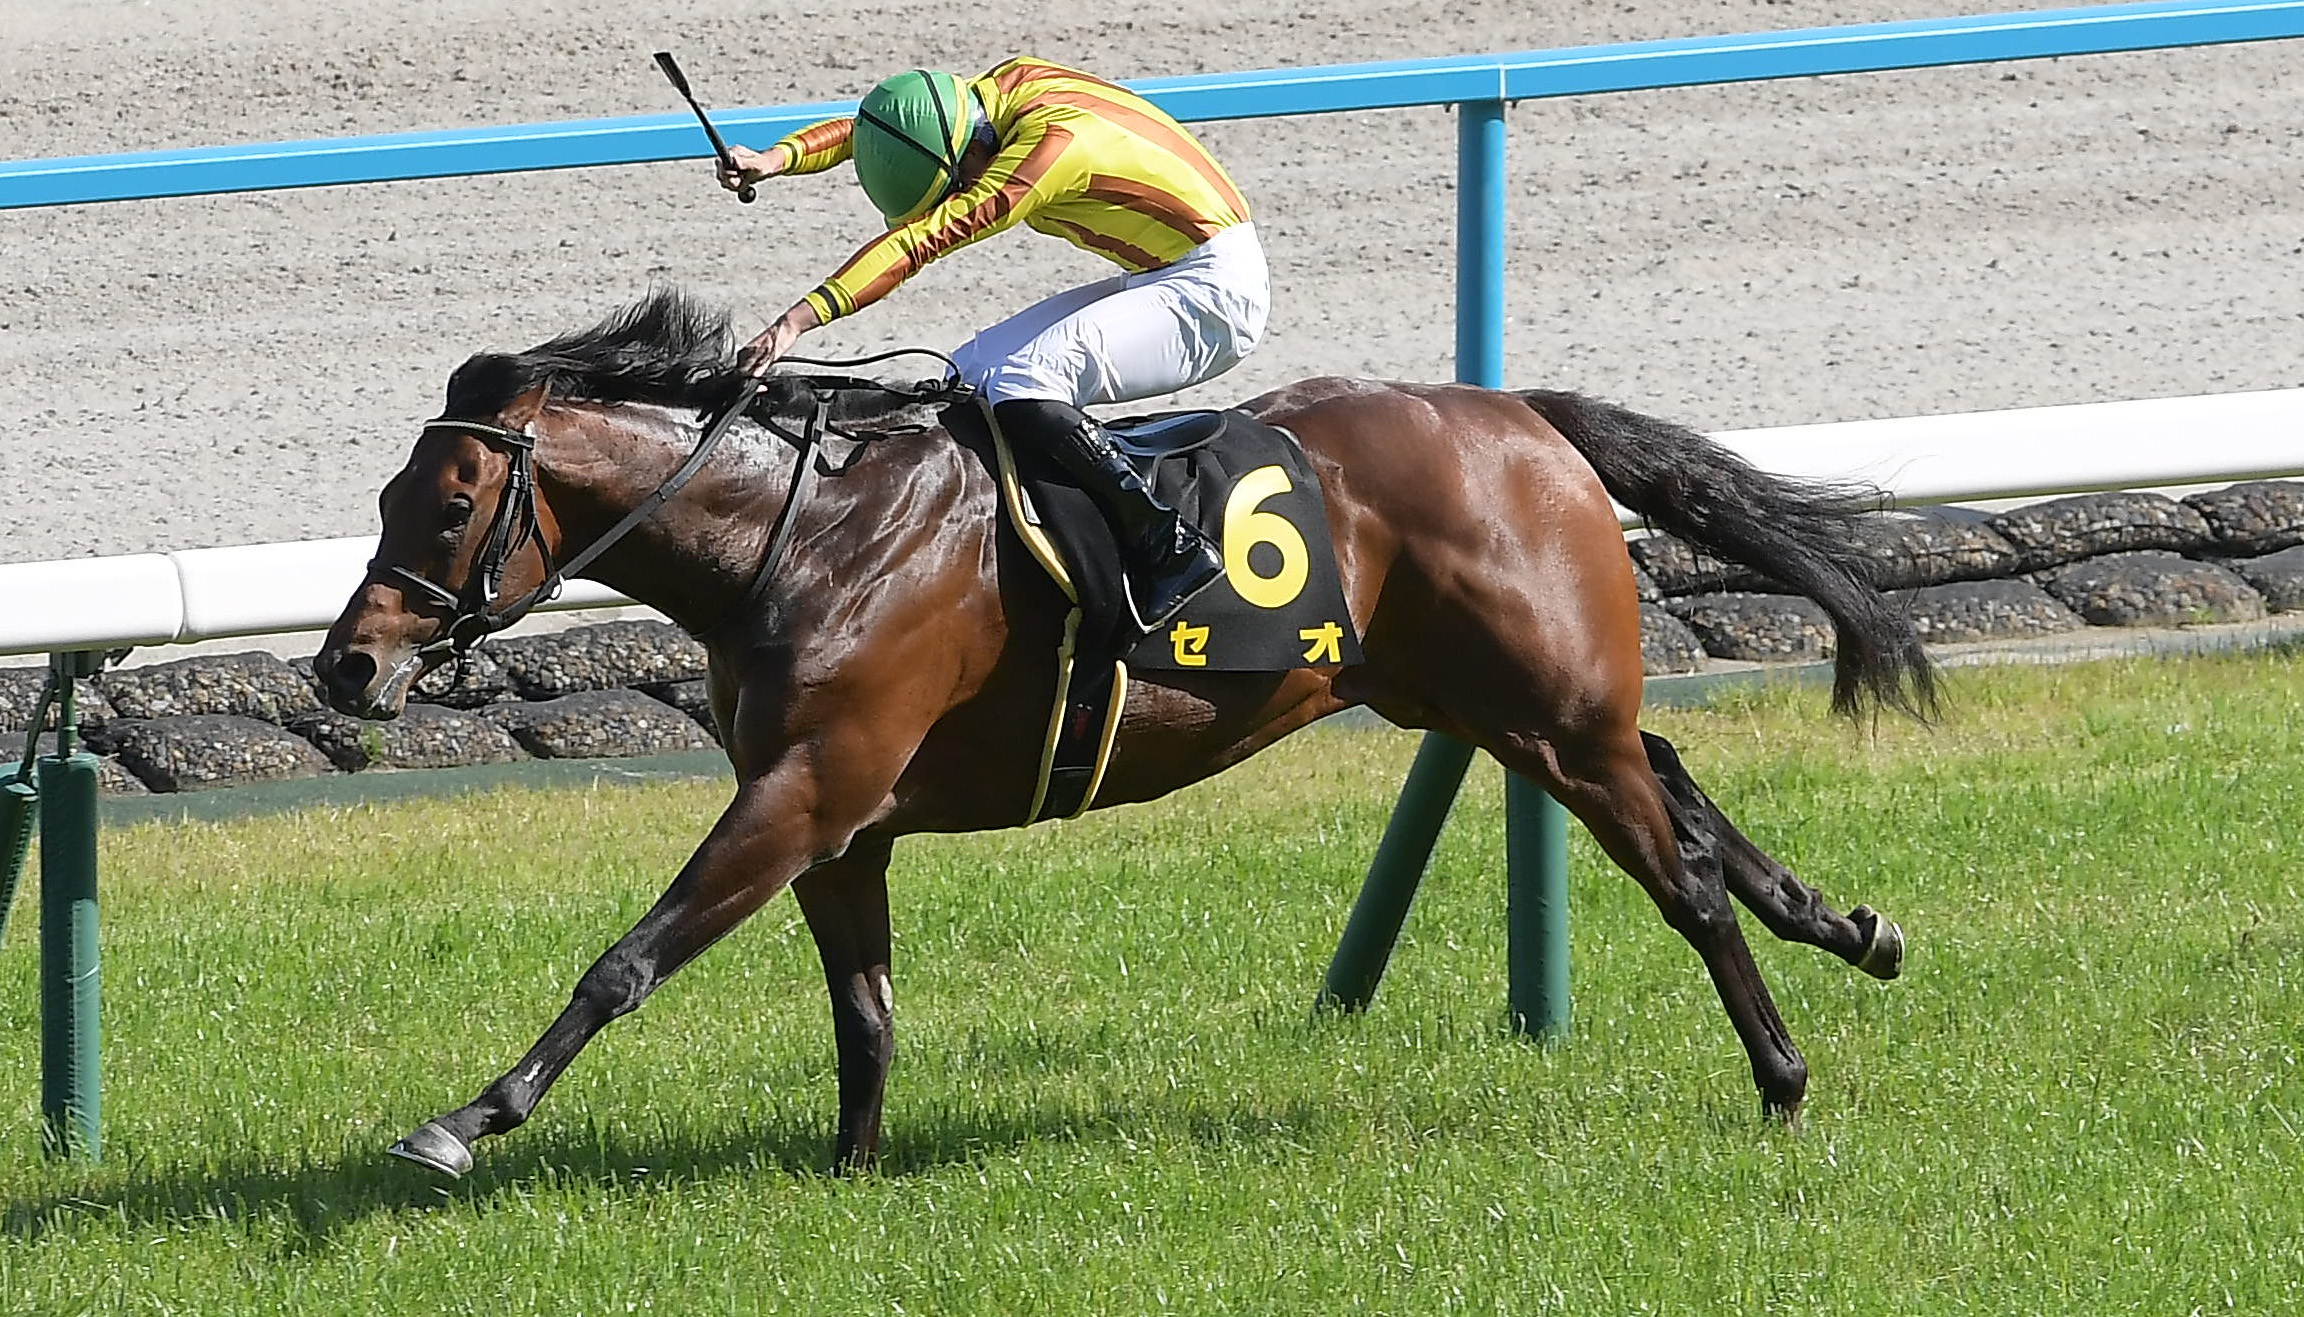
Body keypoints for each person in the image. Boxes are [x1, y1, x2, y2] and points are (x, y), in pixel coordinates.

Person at [718, 57, 1271, 633]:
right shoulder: (989, 96)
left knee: (1024, 381)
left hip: (1216, 293)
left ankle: (1168, 546)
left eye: (957, 185)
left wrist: (797, 322)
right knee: (965, 373)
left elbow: (920, 242)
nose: (961, 193)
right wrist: (773, 160)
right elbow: (875, 128)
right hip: (1168, 269)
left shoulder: (1049, 153)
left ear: (971, 152)